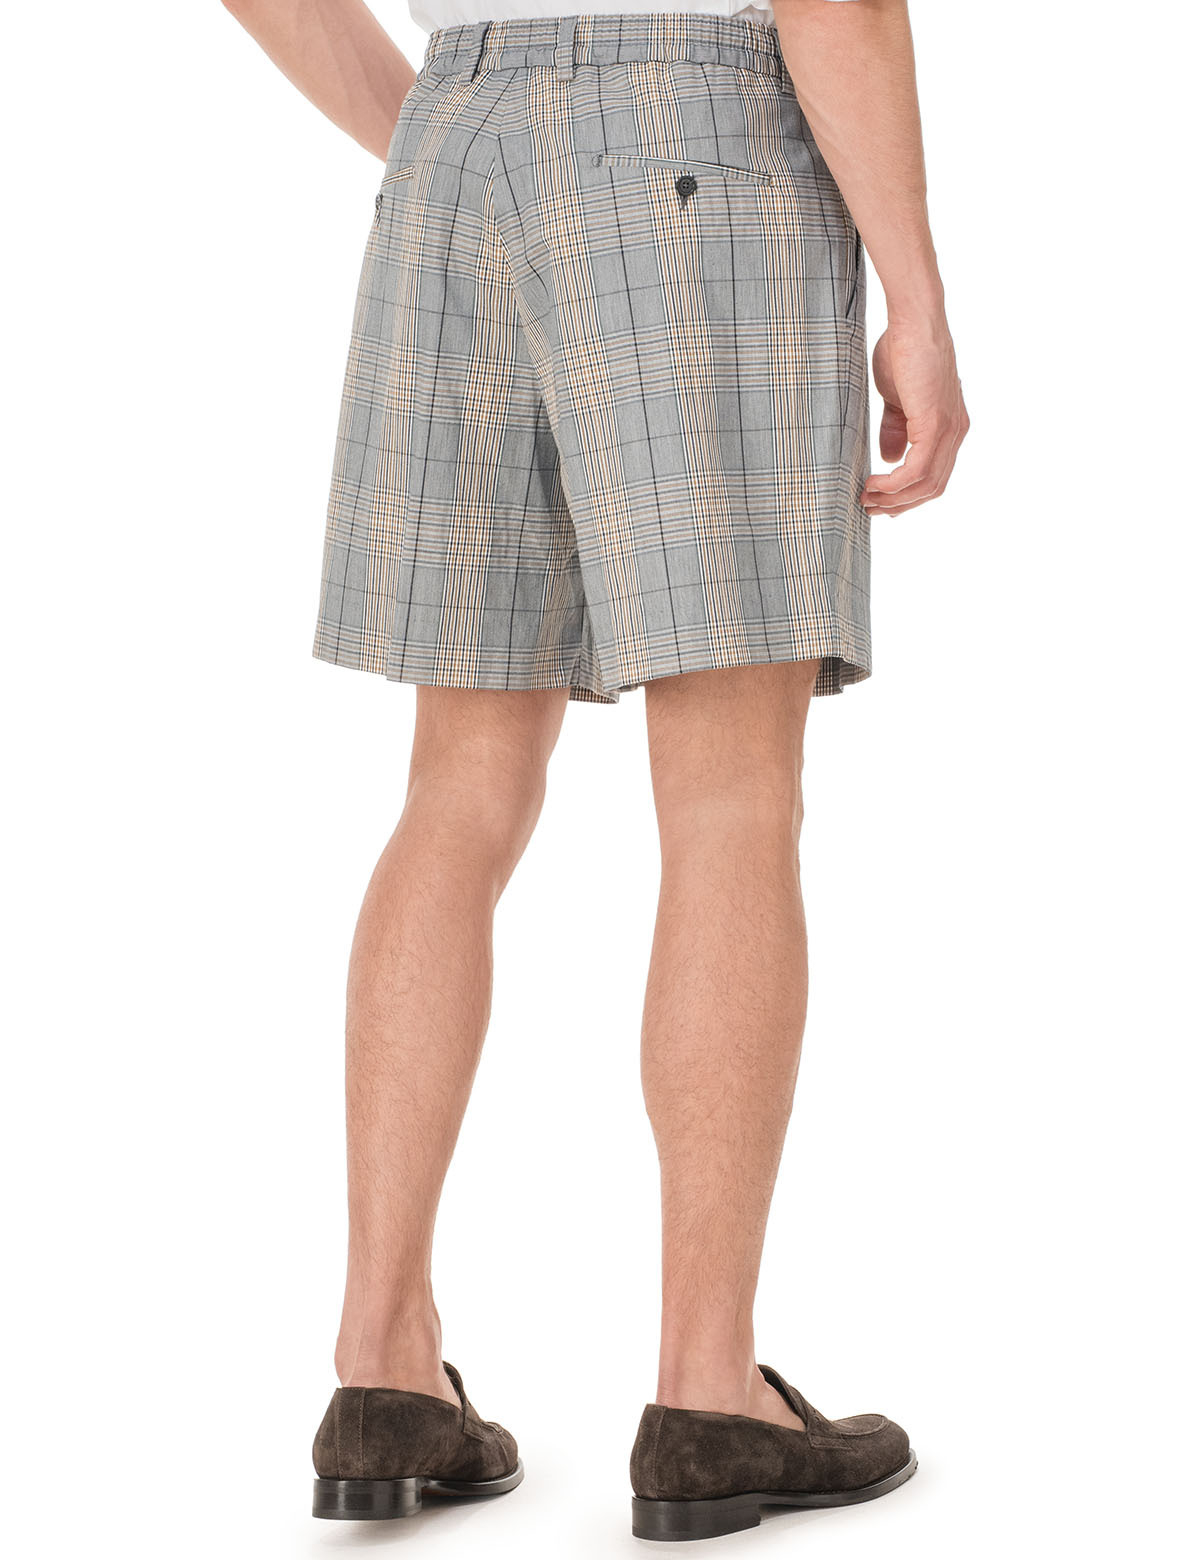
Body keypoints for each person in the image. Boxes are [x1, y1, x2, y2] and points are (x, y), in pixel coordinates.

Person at [222, 0, 967, 1541]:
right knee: (730, 793)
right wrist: (917, 291)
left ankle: (384, 1365)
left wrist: (460, 139)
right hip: (702, 130)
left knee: (458, 786)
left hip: (459, 143)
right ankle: (708, 1394)